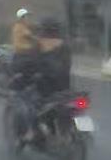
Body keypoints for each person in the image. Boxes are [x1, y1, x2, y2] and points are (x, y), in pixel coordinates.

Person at [12, 16, 72, 144]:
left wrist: (19, 69)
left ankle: (31, 132)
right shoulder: (65, 45)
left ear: (44, 30)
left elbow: (29, 63)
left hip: (46, 89)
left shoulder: (41, 44)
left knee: (25, 101)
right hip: (65, 88)